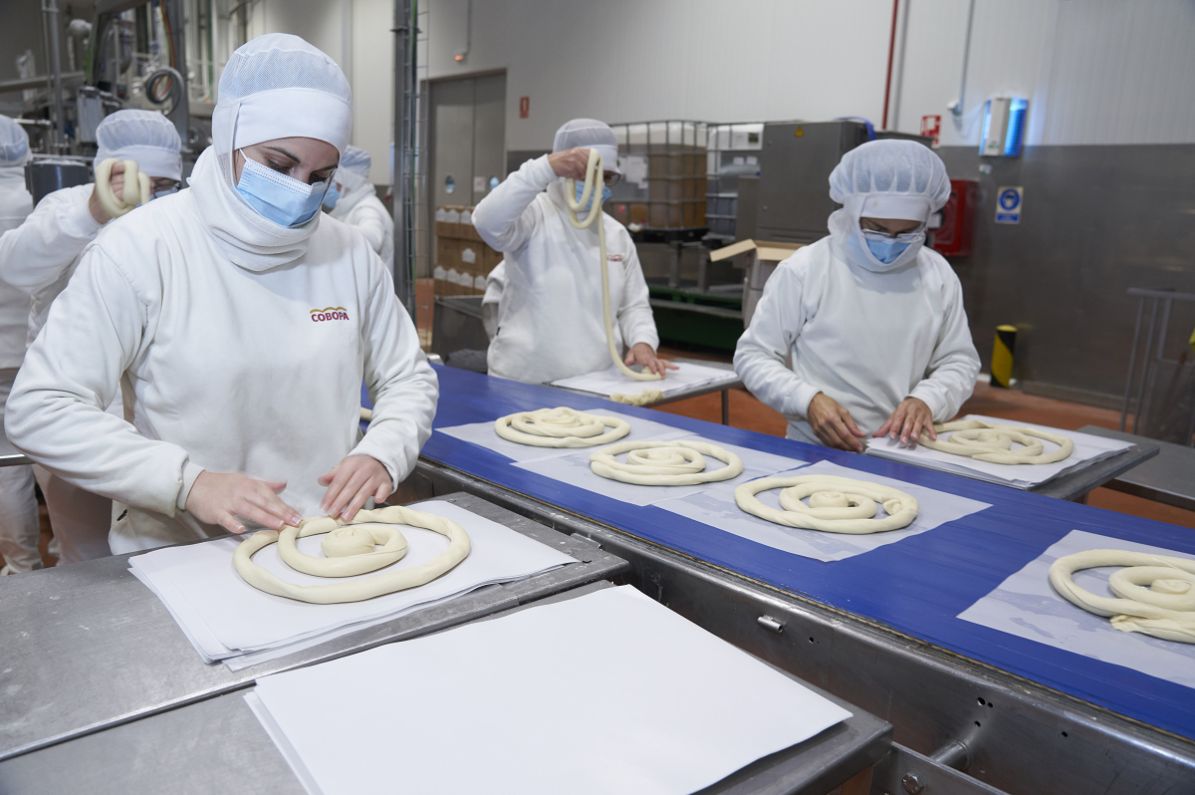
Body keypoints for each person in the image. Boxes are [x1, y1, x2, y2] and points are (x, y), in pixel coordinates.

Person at [5, 33, 437, 554]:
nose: (299, 189)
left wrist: (383, 451)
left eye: (320, 176)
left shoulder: (348, 253)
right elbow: (41, 407)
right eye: (278, 166)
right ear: (230, 135)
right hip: (179, 553)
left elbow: (408, 377)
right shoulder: (144, 248)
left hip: (321, 540)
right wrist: (187, 482)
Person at [0, 109, 182, 563]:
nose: (149, 195)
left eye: (164, 185)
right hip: (79, 417)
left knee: (158, 551)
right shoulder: (67, 207)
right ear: (106, 172)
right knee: (86, 553)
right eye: (137, 182)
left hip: (161, 419)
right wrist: (93, 212)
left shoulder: (180, 219)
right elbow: (16, 266)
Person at [734, 139, 980, 451]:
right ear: (850, 212)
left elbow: (959, 360)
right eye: (876, 229)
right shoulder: (807, 269)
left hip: (906, 450)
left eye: (907, 232)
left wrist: (928, 399)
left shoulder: (937, 275)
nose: (891, 242)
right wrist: (808, 401)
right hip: (815, 446)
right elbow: (753, 356)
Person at [472, 118, 672, 384]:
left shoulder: (615, 235)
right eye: (586, 174)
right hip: (523, 382)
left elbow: (633, 305)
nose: (597, 184)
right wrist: (545, 167)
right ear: (561, 170)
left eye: (606, 177)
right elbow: (486, 221)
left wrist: (642, 341)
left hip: (596, 382)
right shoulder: (534, 216)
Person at [0, 116, 39, 574]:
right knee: (56, 459)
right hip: (36, 352)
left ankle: (21, 563)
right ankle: (70, 549)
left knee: (9, 470)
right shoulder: (40, 201)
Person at [323, 144, 393, 265]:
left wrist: (327, 232)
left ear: (350, 182)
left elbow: (374, 238)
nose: (332, 188)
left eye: (337, 184)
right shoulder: (352, 207)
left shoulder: (367, 208)